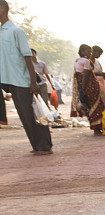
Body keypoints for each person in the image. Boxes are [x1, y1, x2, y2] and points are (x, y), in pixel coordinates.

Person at [0, 0, 53, 153]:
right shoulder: (2, 32)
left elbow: (27, 57)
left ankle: (44, 145)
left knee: (34, 114)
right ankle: (37, 145)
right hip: (10, 81)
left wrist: (32, 81)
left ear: (2, 9)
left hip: (23, 81)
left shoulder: (16, 31)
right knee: (24, 116)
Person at [72, 44, 105, 135]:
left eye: (90, 51)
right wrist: (83, 88)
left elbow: (78, 75)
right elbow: (86, 74)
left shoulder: (77, 61)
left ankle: (96, 127)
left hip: (84, 86)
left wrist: (81, 88)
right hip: (90, 86)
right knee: (96, 106)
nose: (90, 53)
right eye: (88, 51)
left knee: (90, 106)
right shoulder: (86, 61)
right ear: (82, 51)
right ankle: (97, 128)